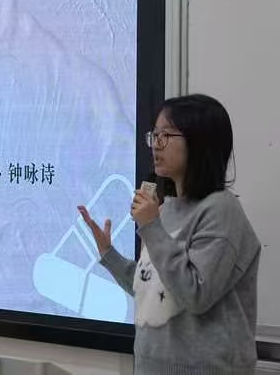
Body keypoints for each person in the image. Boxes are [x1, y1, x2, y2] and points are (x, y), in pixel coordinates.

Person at [78, 94, 261, 375]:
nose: (156, 144)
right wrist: (109, 254)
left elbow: (195, 293)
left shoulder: (221, 209)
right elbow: (155, 289)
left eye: (166, 135)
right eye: (155, 135)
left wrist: (151, 226)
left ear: (200, 142)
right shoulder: (165, 209)